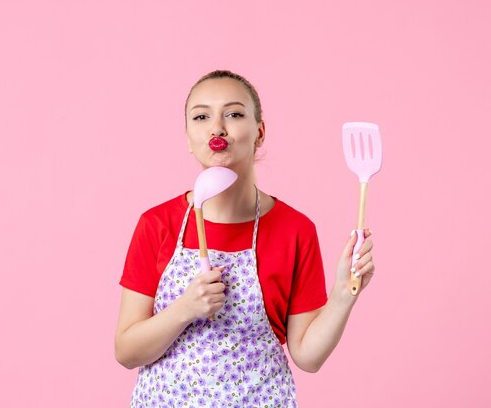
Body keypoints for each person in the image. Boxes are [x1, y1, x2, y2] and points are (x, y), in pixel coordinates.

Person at [114, 70, 375, 407]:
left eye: (234, 114)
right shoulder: (157, 224)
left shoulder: (294, 230)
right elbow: (127, 351)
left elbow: (307, 357)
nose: (217, 127)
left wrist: (342, 294)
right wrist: (185, 309)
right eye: (201, 116)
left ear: (260, 133)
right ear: (188, 136)